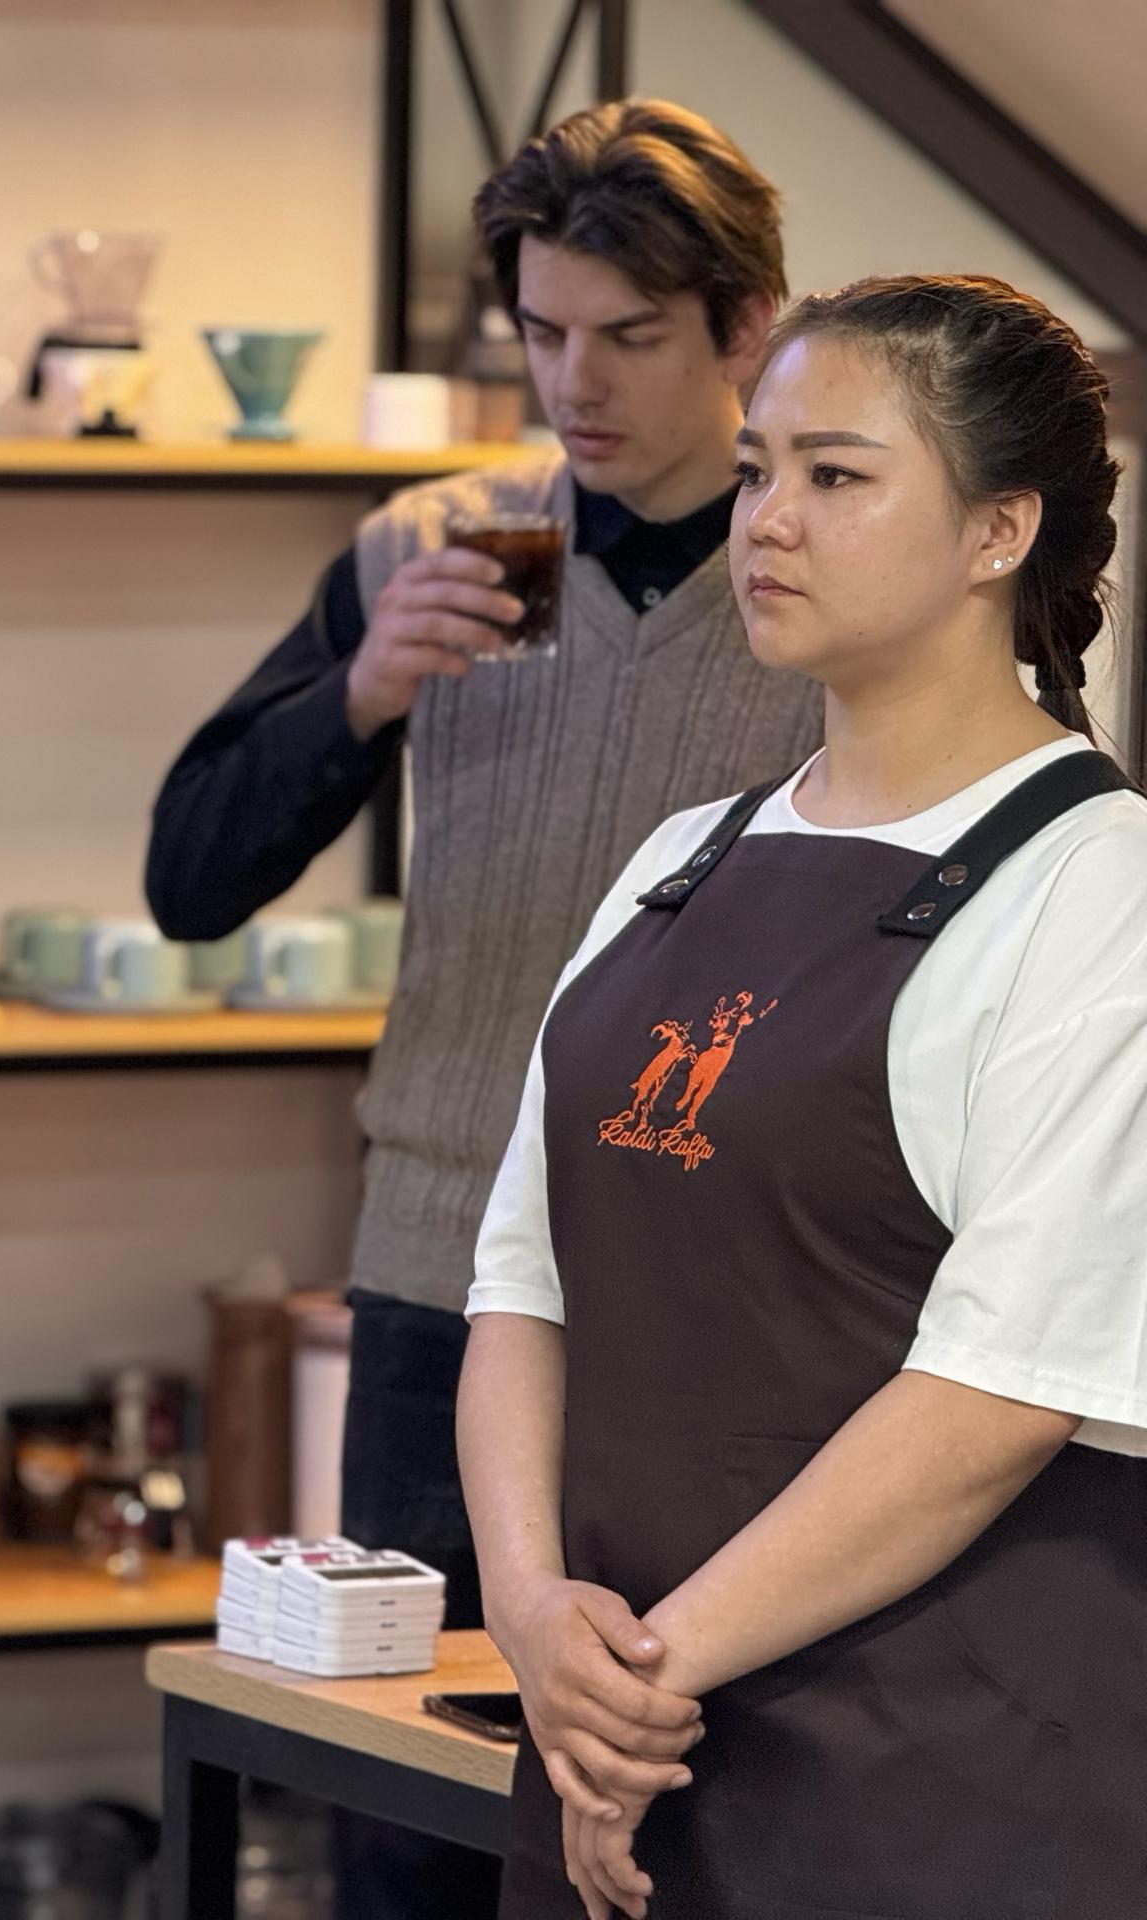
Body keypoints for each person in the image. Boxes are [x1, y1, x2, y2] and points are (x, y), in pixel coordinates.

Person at [146, 100, 822, 1917]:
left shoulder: (820, 571)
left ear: (749, 326)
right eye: (542, 332)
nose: (574, 383)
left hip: (726, 1293)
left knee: (685, 1821)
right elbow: (189, 878)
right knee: (407, 1828)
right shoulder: (425, 550)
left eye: (631, 336)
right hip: (437, 1281)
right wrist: (359, 695)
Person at [461, 272, 1147, 1920]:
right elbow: (522, 1287)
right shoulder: (678, 861)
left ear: (999, 531)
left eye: (836, 476)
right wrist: (533, 1617)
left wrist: (633, 1679)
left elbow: (993, 1398)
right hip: (617, 1755)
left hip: (932, 1792)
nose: (767, 520)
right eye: (758, 470)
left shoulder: (1099, 893)